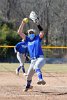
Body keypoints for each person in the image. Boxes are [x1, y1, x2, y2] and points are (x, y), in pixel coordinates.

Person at [17, 13, 46, 91]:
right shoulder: (27, 40)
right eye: (29, 33)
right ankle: (28, 86)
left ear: (34, 34)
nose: (31, 34)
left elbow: (42, 32)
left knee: (36, 67)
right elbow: (19, 32)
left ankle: (41, 79)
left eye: (32, 33)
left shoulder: (37, 38)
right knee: (28, 76)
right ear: (28, 35)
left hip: (40, 58)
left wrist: (38, 24)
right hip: (32, 60)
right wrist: (23, 22)